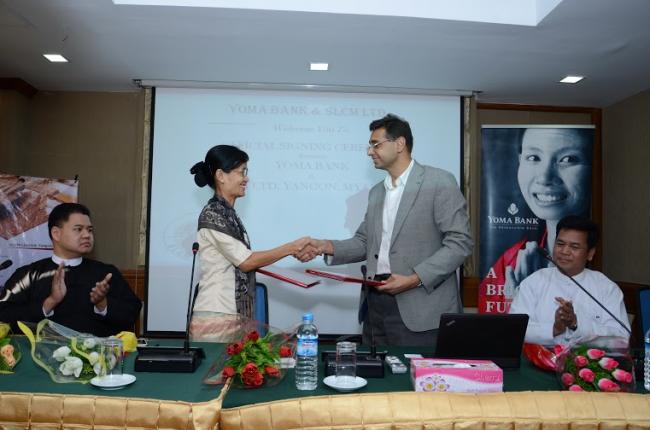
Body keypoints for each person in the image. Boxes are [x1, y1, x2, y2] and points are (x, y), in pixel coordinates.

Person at [299, 114, 473, 346]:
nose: (369, 152)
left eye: (376, 144)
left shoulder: (439, 181)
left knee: (413, 370)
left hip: (420, 305)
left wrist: (415, 279)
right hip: (375, 305)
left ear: (399, 144)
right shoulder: (377, 192)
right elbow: (365, 242)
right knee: (377, 369)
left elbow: (460, 243)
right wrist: (325, 246)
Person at [189, 145, 309, 324]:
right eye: (241, 172)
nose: (246, 178)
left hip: (232, 315)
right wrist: (291, 248)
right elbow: (246, 262)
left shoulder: (228, 214)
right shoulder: (213, 214)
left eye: (246, 172)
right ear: (221, 175)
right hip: (216, 316)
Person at [481, 127, 593, 303]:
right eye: (533, 158)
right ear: (520, 162)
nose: (545, 177)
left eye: (568, 159)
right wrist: (516, 299)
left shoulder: (602, 276)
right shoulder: (510, 262)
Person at [0, 203, 141, 337]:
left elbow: (131, 313)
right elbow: (5, 317)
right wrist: (50, 302)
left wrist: (102, 304)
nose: (87, 235)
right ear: (56, 233)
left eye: (89, 230)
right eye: (78, 229)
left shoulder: (106, 274)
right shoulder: (28, 276)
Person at [509, 215, 630, 345]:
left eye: (574, 247)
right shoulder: (534, 282)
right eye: (560, 244)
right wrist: (555, 329)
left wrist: (576, 323)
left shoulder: (606, 288)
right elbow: (514, 329)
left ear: (590, 253)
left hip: (586, 357)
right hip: (539, 357)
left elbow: (622, 338)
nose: (565, 251)